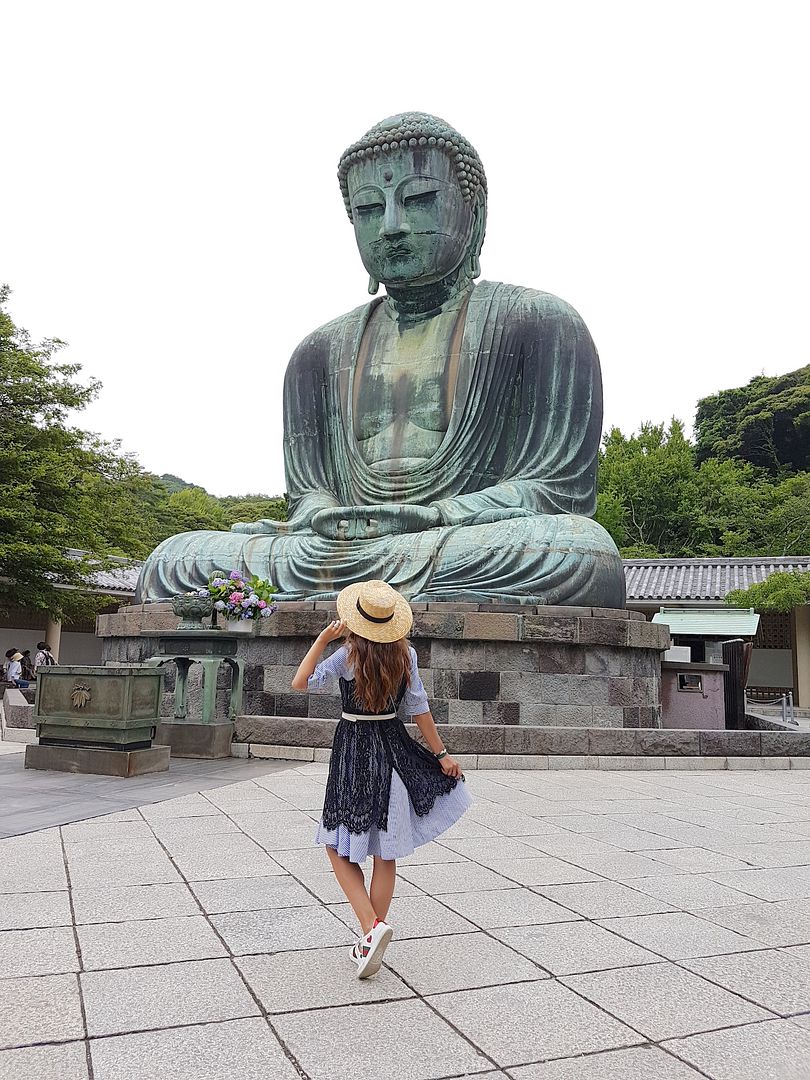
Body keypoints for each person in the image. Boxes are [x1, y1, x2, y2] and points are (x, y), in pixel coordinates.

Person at [135, 111, 625, 608]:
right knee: (174, 561)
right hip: (339, 549)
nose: (391, 226)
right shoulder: (317, 353)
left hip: (458, 540)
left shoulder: (540, 323)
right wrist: (323, 512)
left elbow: (555, 492)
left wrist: (437, 516)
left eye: (418, 200)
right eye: (369, 209)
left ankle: (357, 590)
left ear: (473, 215)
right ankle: (361, 591)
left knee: (580, 553)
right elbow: (310, 496)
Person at [291, 579, 471, 979]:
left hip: (354, 749)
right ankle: (374, 934)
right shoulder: (406, 654)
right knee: (383, 851)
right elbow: (419, 709)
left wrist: (322, 639)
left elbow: (301, 683)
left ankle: (372, 929)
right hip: (392, 747)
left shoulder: (347, 655)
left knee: (336, 845)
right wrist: (441, 755)